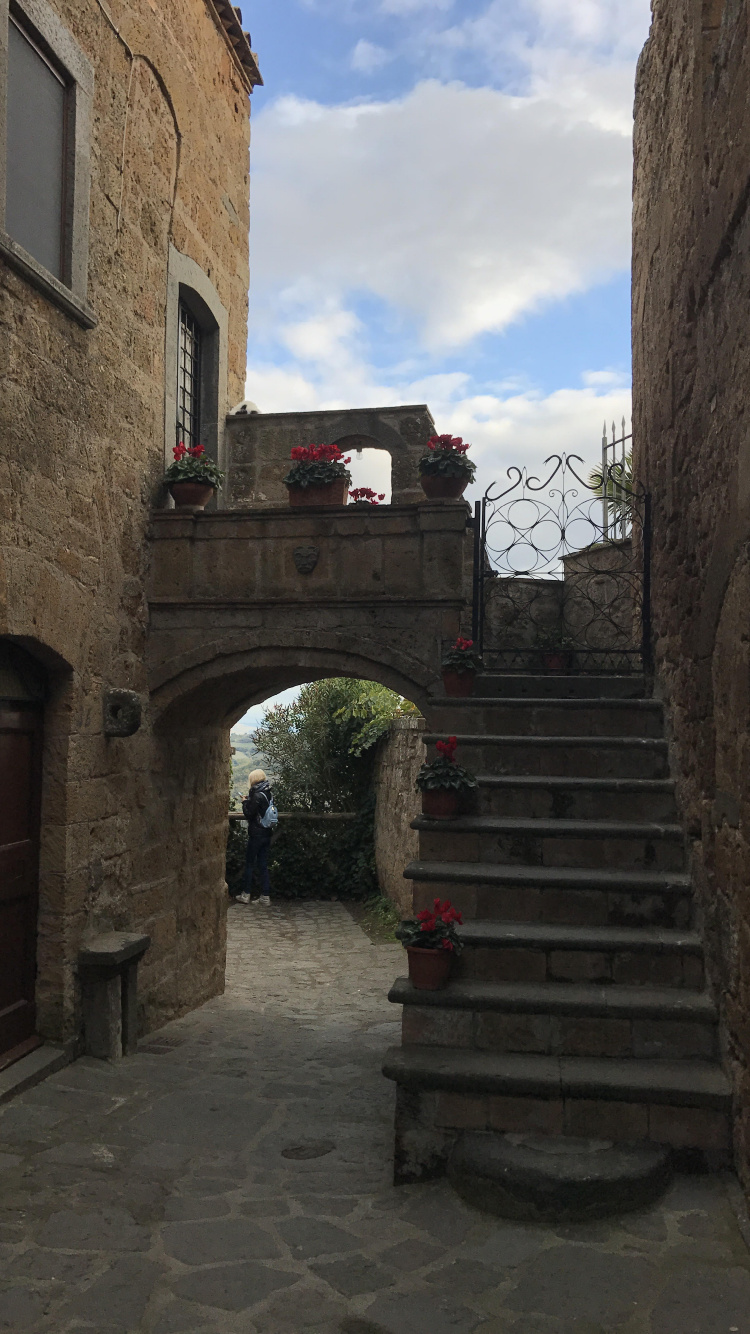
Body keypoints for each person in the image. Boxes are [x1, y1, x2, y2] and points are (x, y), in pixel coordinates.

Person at [236, 769, 274, 906]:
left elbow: (249, 814)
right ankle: (265, 896)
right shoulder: (268, 793)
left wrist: (245, 802)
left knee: (250, 864)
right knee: (263, 864)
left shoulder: (256, 795)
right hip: (267, 833)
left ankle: (246, 894)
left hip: (256, 834)